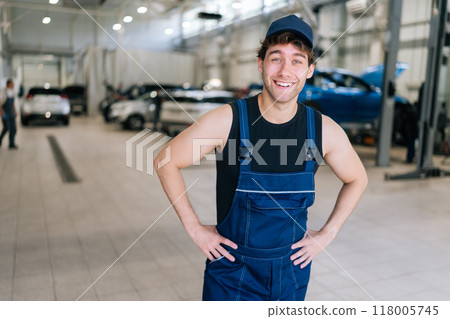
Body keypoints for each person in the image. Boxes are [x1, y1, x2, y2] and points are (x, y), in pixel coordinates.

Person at [154, 15, 367, 301]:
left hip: (290, 274)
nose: (285, 71)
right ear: (261, 64)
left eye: (297, 60)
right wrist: (194, 228)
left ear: (309, 70)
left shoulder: (323, 130)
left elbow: (357, 178)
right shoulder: (227, 121)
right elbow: (165, 160)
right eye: (276, 58)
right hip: (231, 275)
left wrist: (328, 233)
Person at [0, 79, 18, 149]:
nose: (13, 85)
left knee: (13, 128)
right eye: (12, 84)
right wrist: (2, 113)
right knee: (6, 127)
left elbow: (12, 103)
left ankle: (11, 144)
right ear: (9, 84)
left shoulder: (12, 92)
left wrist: (15, 111)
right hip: (5, 113)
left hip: (11, 113)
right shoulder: (3, 92)